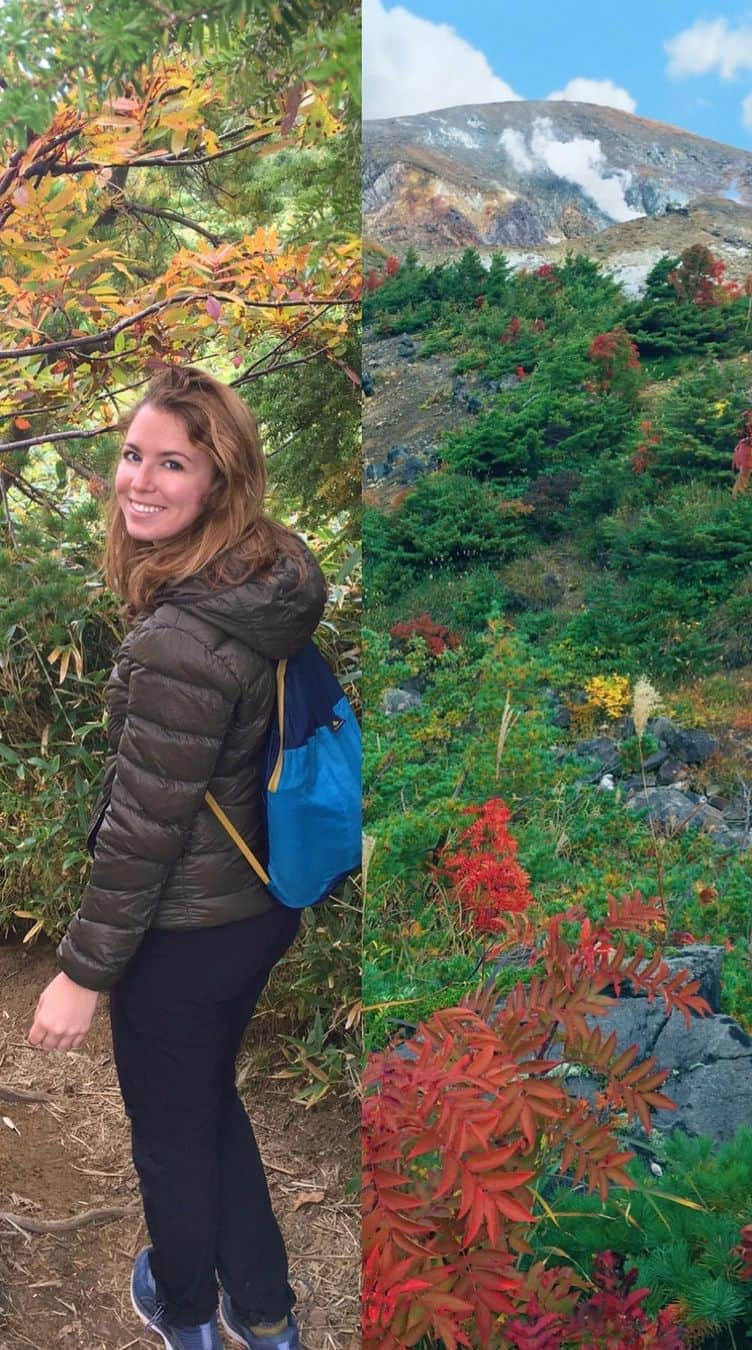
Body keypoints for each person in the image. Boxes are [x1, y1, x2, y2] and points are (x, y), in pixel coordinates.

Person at [27, 366, 327, 1350]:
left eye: (172, 464)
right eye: (131, 455)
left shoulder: (184, 639)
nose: (139, 481)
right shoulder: (260, 579)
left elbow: (143, 829)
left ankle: (188, 1312)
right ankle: (267, 1309)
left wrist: (80, 973)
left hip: (188, 927)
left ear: (219, 480)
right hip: (258, 907)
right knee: (206, 1098)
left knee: (169, 1134)